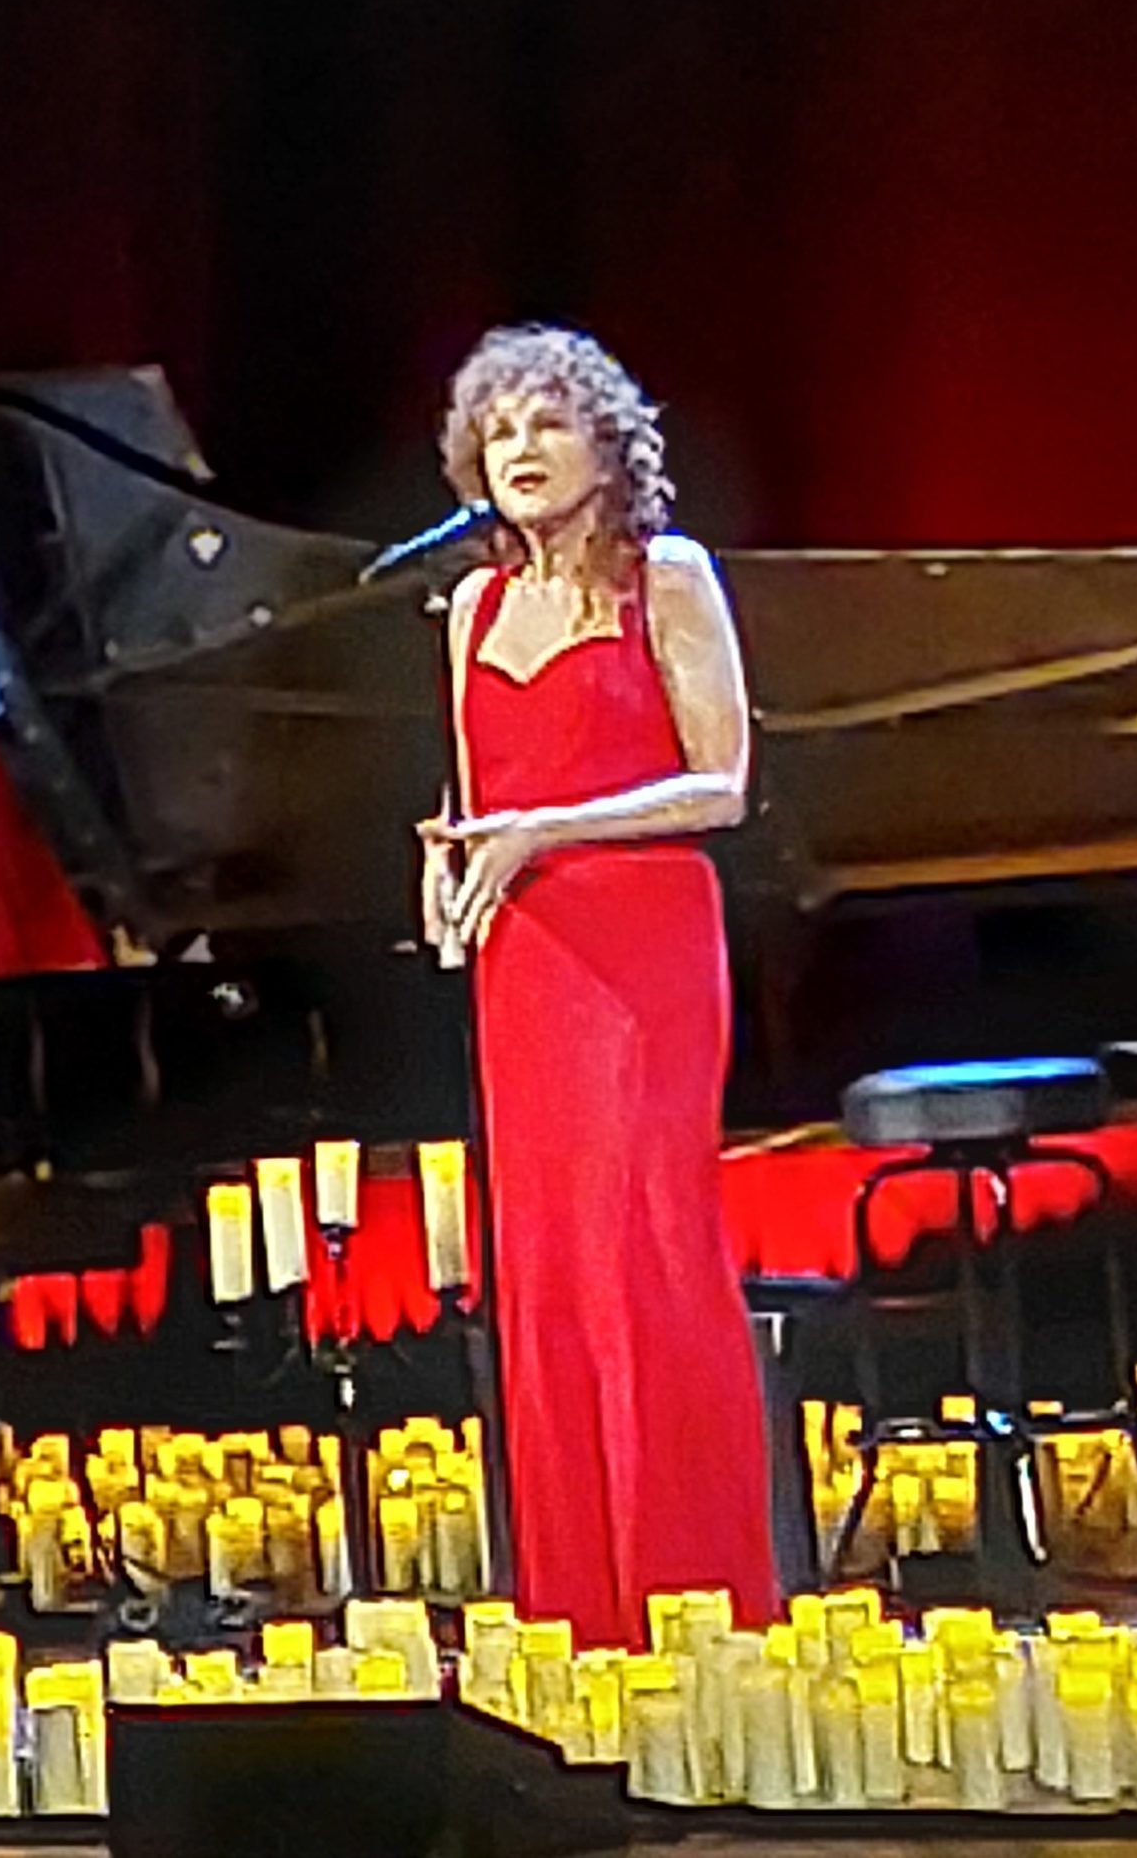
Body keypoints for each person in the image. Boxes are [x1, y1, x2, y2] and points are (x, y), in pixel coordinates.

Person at [419, 324, 777, 1645]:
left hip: (641, 946)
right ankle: (581, 1615)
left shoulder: (663, 577)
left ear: (605, 447)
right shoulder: (471, 608)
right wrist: (446, 862)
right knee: (552, 1271)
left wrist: (541, 833)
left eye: (547, 423)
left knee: (643, 1253)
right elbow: (474, 792)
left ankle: (690, 1606)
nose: (520, 448)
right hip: (524, 962)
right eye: (498, 430)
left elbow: (721, 785)